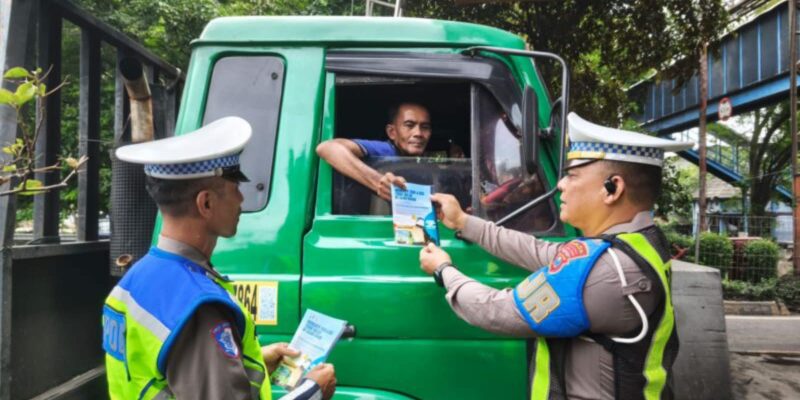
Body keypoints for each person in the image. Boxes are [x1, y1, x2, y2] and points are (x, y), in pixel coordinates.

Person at [419, 112, 693, 400]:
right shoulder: (633, 245)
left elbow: (500, 311)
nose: (560, 184)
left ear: (613, 188)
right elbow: (539, 252)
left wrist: (443, 270)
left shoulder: (609, 272)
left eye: (572, 175)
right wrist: (464, 222)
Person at [102, 117, 336, 399]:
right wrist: (312, 391)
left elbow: (166, 374)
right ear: (206, 203)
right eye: (234, 187)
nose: (240, 199)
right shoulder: (200, 308)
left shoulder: (137, 278)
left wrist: (254, 361)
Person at [316, 102, 432, 200]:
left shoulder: (417, 164)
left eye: (425, 127)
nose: (418, 133)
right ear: (392, 132)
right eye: (409, 125)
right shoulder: (385, 151)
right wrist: (379, 182)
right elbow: (327, 148)